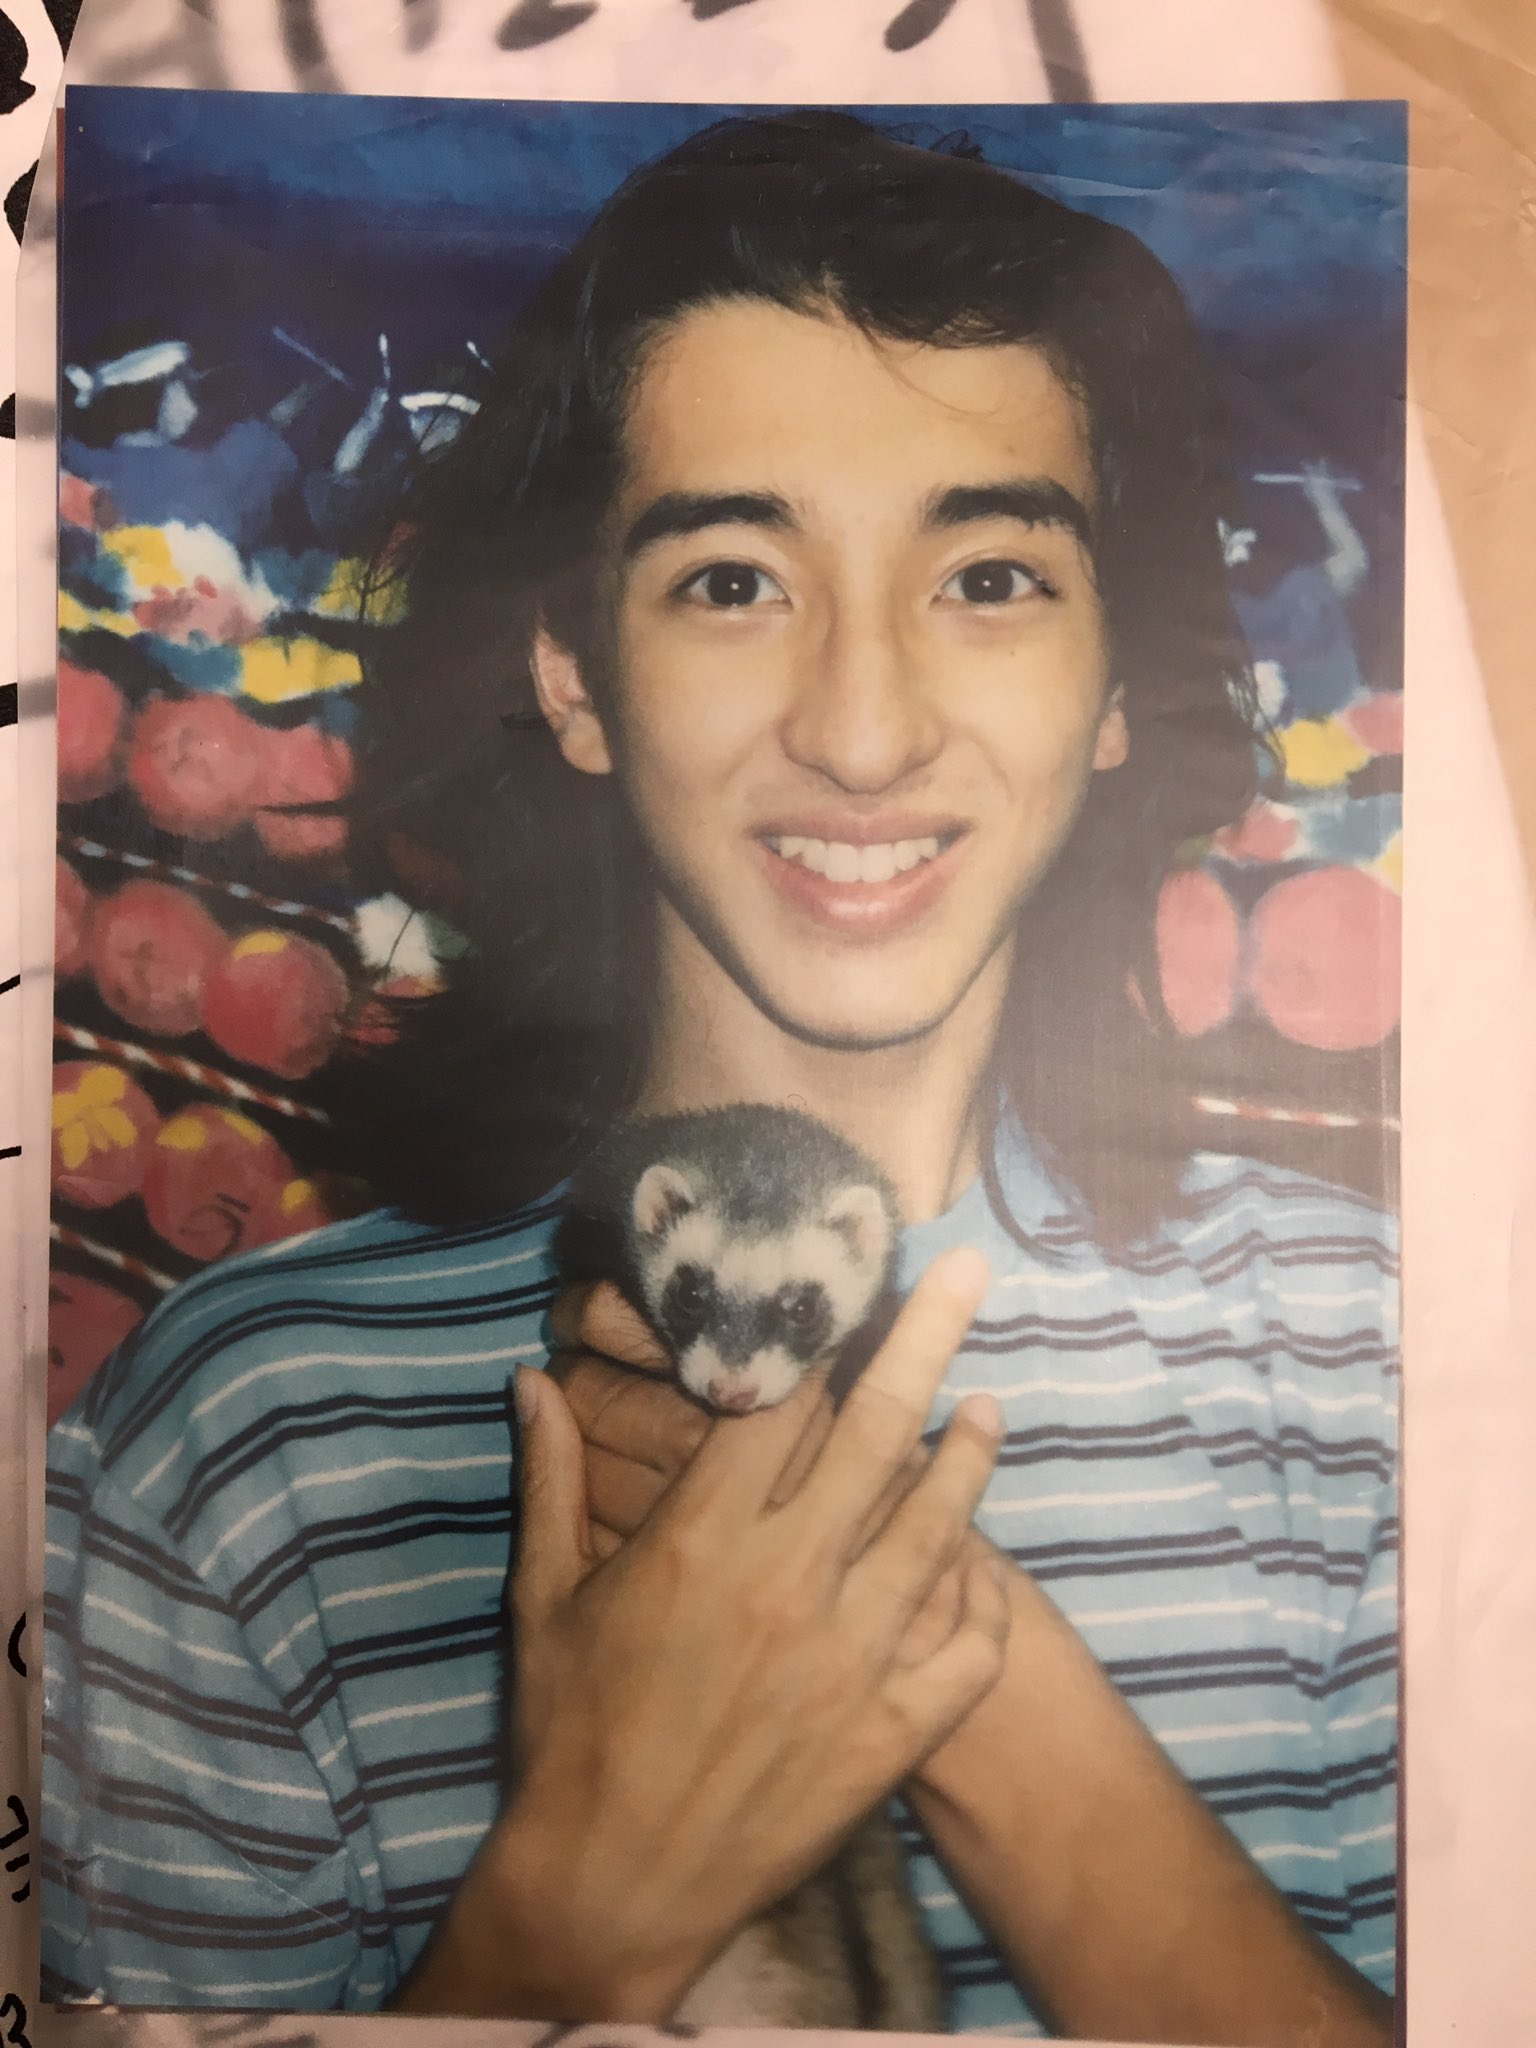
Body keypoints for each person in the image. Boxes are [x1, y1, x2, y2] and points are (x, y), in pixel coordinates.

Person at [43, 111, 1398, 2042]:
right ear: (572, 679)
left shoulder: (1370, 1354)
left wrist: (967, 1690)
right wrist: (574, 1908)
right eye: (734, 580)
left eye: (991, 576)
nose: (863, 730)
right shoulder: (239, 1439)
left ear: (1120, 690)